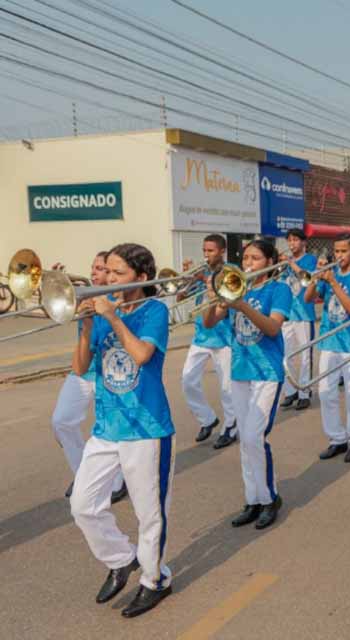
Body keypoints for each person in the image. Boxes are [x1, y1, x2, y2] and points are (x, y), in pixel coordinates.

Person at [69, 243, 175, 618]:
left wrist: (113, 318)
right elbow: (81, 367)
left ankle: (154, 578)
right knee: (82, 504)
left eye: (117, 273)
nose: (107, 280)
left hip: (147, 428)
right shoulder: (100, 313)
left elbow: (142, 355)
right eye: (106, 272)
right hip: (107, 426)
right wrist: (85, 326)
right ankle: (121, 558)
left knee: (150, 514)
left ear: (142, 277)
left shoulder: (154, 311)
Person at [203, 240, 290, 530]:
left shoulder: (279, 290)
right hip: (240, 371)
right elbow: (209, 323)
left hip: (267, 371)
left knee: (254, 436)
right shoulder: (236, 285)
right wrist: (212, 297)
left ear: (269, 261)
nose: (249, 263)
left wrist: (240, 304)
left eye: (255, 258)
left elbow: (272, 327)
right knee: (245, 440)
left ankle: (269, 499)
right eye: (246, 258)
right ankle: (252, 498)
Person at [53, 251, 127, 502]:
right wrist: (52, 285)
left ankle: (116, 483)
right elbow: (52, 309)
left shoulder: (117, 300)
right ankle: (84, 473)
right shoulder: (83, 296)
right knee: (61, 421)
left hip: (110, 374)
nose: (95, 273)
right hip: (83, 371)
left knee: (109, 431)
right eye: (93, 268)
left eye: (102, 269)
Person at [306, 234, 350, 463]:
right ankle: (337, 438)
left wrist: (334, 282)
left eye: (344, 251)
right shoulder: (329, 275)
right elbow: (308, 298)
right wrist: (316, 278)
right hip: (328, 341)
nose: (339, 256)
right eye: (336, 251)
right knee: (326, 393)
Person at [180, 234, 237, 448]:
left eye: (210, 251)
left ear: (221, 251)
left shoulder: (231, 271)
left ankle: (231, 426)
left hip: (223, 337)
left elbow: (230, 297)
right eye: (204, 250)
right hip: (200, 335)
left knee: (226, 387)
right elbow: (181, 298)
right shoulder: (200, 271)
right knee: (187, 380)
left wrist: (208, 282)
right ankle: (207, 418)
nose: (206, 255)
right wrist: (186, 280)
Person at [278, 228, 318, 411]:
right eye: (289, 241)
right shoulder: (285, 264)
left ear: (303, 242)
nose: (292, 244)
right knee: (286, 355)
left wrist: (291, 264)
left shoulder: (310, 260)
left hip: (304, 315)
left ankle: (304, 392)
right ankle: (291, 391)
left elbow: (307, 279)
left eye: (295, 240)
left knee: (304, 357)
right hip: (287, 315)